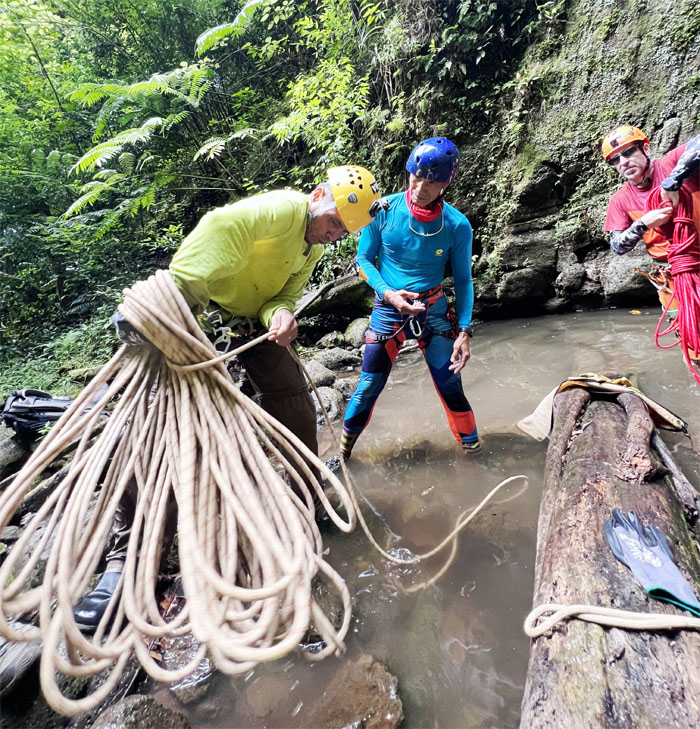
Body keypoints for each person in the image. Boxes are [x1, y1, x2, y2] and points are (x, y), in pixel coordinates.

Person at [73, 165, 384, 631]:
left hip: (244, 318)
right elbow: (220, 225)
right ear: (318, 196)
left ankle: (305, 490)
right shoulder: (281, 210)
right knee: (162, 430)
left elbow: (283, 295)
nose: (334, 234)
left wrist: (281, 315)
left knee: (294, 397)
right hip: (183, 309)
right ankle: (128, 563)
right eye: (334, 222)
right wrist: (176, 299)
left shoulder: (310, 248)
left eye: (343, 230)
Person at [339, 138, 480, 462]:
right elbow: (362, 260)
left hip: (433, 312)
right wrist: (388, 293)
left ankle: (474, 455)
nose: (420, 188)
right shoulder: (384, 211)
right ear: (408, 173)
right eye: (415, 178)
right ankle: (344, 457)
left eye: (431, 182)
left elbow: (462, 279)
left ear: (446, 182)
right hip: (389, 309)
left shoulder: (457, 225)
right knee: (367, 389)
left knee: (451, 387)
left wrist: (464, 331)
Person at [602, 125, 700, 314]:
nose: (623, 162)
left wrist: (674, 181)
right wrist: (643, 224)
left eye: (628, 152)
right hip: (672, 275)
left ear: (645, 149)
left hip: (695, 255)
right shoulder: (620, 200)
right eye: (615, 160)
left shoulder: (670, 165)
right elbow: (617, 246)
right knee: (687, 333)